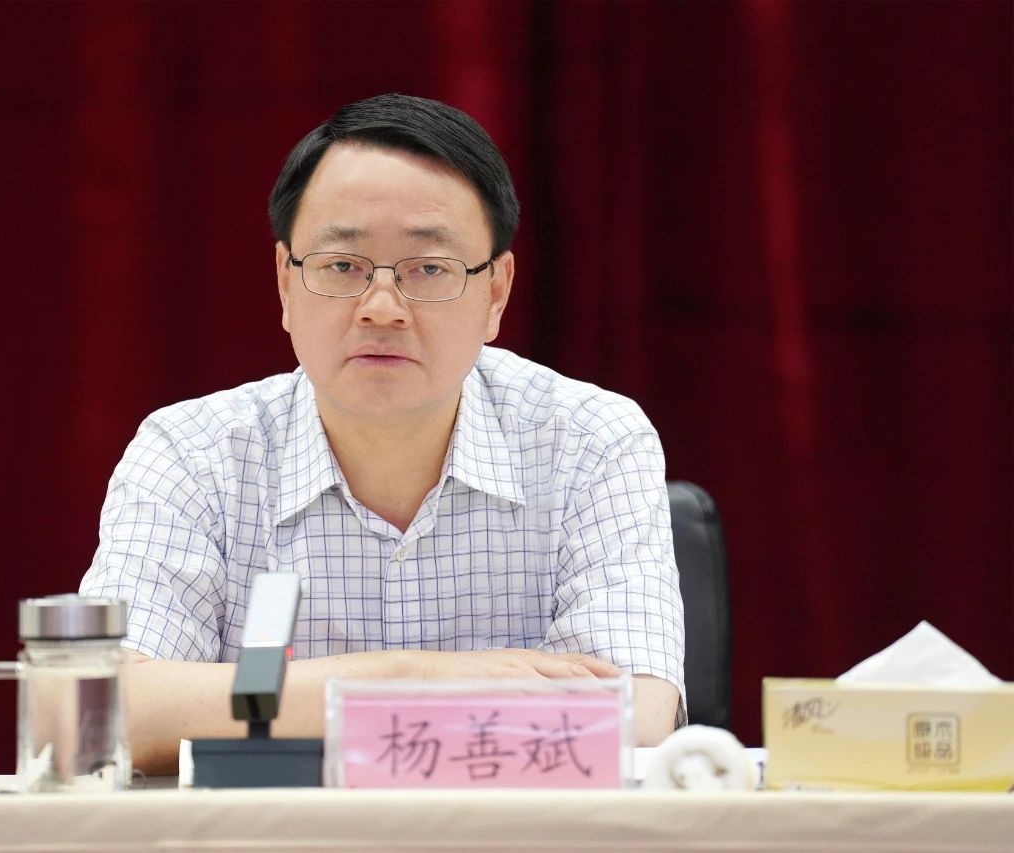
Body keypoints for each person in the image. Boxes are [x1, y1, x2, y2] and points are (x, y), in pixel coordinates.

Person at [80, 94, 684, 773]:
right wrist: (410, 676)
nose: (382, 308)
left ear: (496, 292)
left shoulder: (591, 441)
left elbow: (634, 718)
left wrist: (287, 705)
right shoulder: (192, 454)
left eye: (429, 269)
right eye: (343, 266)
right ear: (285, 282)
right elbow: (93, 710)